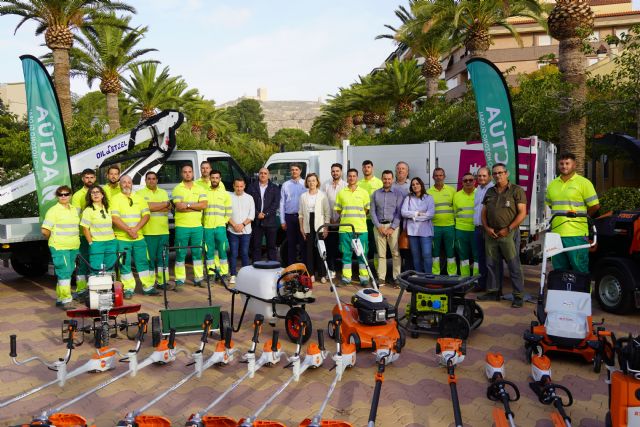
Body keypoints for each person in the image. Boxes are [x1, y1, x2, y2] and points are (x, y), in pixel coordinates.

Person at [479, 163, 527, 308]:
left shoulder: (516, 190)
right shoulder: (490, 191)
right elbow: (484, 212)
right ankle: (494, 292)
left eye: (500, 172)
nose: (497, 175)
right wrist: (486, 227)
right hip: (491, 234)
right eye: (495, 173)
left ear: (507, 173)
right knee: (492, 264)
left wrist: (509, 228)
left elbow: (522, 213)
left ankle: (518, 296)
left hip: (508, 233)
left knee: (513, 265)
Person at [545, 152, 600, 273]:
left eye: (567, 163)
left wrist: (584, 217)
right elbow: (550, 204)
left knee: (579, 268)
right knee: (559, 270)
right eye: (561, 163)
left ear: (574, 165)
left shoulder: (584, 183)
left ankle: (584, 292)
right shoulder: (552, 185)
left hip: (577, 234)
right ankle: (562, 292)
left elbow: (595, 206)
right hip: (556, 234)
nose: (564, 166)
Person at [111, 175, 157, 298]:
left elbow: (146, 215)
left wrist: (135, 229)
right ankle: (128, 289)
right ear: (120, 184)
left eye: (129, 182)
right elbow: (114, 218)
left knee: (143, 262)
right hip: (122, 238)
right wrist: (128, 230)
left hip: (139, 237)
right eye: (124, 182)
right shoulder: (115, 199)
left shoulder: (139, 198)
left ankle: (148, 287)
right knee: (124, 264)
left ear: (132, 184)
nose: (126, 184)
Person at [42, 185, 81, 309]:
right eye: (60, 194)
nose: (63, 196)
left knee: (68, 272)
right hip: (59, 247)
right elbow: (45, 230)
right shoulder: (53, 211)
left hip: (73, 246)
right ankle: (66, 299)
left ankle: (60, 297)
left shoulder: (74, 209)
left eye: (66, 194)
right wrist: (54, 241)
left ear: (70, 195)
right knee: (64, 272)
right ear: (57, 196)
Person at [172, 164, 207, 288]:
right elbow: (179, 207)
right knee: (180, 254)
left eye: (190, 172)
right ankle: (180, 280)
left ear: (193, 173)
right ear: (182, 174)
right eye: (185, 172)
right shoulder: (177, 189)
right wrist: (194, 207)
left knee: (197, 253)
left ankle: (199, 278)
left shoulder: (200, 188)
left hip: (197, 226)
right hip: (182, 226)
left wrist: (187, 205)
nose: (187, 174)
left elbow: (203, 205)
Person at [335, 168, 371, 286]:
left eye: (354, 176)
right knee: (346, 255)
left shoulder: (364, 193)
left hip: (361, 229)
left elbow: (367, 210)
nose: (351, 178)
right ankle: (346, 277)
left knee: (362, 254)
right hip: (345, 229)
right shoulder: (341, 193)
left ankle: (364, 278)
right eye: (349, 176)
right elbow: (339, 210)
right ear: (347, 178)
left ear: (357, 177)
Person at [370, 170, 404, 286]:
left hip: (393, 227)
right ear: (382, 179)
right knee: (381, 254)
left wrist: (392, 227)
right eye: (385, 178)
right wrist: (378, 226)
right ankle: (381, 278)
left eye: (389, 179)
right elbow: (372, 211)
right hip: (379, 227)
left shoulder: (398, 194)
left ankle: (397, 278)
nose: (387, 181)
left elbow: (399, 212)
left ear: (392, 179)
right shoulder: (375, 194)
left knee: (395, 253)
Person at [137, 171, 171, 286]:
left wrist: (153, 206)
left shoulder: (163, 192)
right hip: (148, 232)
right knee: (150, 259)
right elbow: (145, 207)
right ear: (145, 180)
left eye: (153, 178)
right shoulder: (140, 193)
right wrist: (163, 204)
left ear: (157, 180)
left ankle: (163, 282)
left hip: (163, 232)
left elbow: (168, 208)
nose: (151, 181)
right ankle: (150, 283)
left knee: (163, 258)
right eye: (149, 179)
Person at [298, 173, 330, 283]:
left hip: (319, 225)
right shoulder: (303, 196)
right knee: (309, 251)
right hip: (307, 224)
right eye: (309, 181)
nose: (311, 182)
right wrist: (301, 228)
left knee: (320, 250)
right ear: (306, 182)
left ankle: (322, 274)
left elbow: (327, 213)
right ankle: (310, 274)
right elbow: (301, 214)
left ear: (317, 182)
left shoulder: (323, 195)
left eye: (313, 180)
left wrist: (326, 228)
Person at [80, 185, 117, 277]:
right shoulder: (88, 210)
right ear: (90, 196)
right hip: (97, 243)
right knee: (96, 268)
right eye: (93, 193)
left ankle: (109, 288)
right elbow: (85, 228)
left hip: (111, 242)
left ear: (102, 195)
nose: (95, 194)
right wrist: (91, 243)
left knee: (110, 267)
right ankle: (96, 289)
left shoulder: (108, 208)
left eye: (98, 192)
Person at [402, 177, 436, 274]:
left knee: (427, 255)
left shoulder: (429, 198)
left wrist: (413, 216)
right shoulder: (408, 198)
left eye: (417, 184)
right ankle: (419, 277)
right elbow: (403, 212)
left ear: (421, 185)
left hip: (425, 232)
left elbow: (430, 214)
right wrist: (418, 213)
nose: (415, 186)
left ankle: (428, 276)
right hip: (412, 232)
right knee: (416, 256)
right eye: (413, 184)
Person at [427, 167, 457, 275]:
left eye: (440, 175)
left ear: (444, 176)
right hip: (435, 227)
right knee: (435, 253)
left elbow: (456, 208)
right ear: (433, 177)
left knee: (451, 252)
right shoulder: (428, 192)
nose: (438, 177)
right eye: (436, 175)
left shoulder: (452, 190)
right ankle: (435, 274)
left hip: (450, 227)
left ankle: (452, 274)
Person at [71, 168, 96, 297]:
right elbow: (76, 216)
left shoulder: (99, 193)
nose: (89, 180)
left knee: (96, 262)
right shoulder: (77, 196)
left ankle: (94, 288)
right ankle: (81, 290)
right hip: (83, 235)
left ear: (95, 179)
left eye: (91, 177)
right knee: (83, 263)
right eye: (87, 177)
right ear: (82, 179)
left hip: (99, 236)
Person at [247, 167, 280, 262]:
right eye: (261, 173)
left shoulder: (274, 188)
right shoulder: (251, 187)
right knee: (256, 246)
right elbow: (249, 202)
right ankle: (256, 266)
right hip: (256, 221)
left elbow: (275, 204)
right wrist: (257, 214)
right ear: (258, 174)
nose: (263, 175)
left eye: (265, 173)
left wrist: (265, 214)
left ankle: (272, 267)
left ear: (268, 175)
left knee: (271, 246)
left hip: (270, 221)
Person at [203, 170, 231, 280]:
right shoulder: (204, 192)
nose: (214, 180)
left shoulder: (225, 194)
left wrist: (224, 222)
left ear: (220, 179)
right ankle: (211, 273)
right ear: (210, 178)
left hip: (220, 227)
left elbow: (228, 211)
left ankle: (224, 273)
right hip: (208, 227)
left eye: (217, 178)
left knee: (222, 250)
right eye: (213, 177)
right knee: (209, 251)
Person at [321, 163, 347, 279]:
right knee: (329, 248)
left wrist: (339, 220)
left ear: (341, 172)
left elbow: (346, 205)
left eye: (337, 171)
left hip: (343, 222)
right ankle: (331, 270)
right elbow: (323, 202)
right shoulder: (326, 185)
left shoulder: (345, 185)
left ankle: (345, 272)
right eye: (333, 171)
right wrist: (329, 220)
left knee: (343, 248)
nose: (335, 173)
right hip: (329, 221)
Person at [228, 178, 255, 284]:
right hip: (232, 230)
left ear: (244, 186)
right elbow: (226, 213)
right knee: (233, 253)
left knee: (244, 253)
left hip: (246, 231)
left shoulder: (249, 198)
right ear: (233, 186)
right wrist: (234, 225)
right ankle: (233, 274)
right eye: (237, 186)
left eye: (241, 186)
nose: (239, 188)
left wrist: (242, 225)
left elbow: (251, 215)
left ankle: (246, 275)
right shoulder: (229, 197)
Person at [473, 167, 496, 291]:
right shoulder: (478, 190)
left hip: (487, 229)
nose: (481, 178)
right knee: (481, 258)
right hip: (478, 229)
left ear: (489, 176)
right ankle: (482, 284)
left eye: (484, 176)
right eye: (479, 176)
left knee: (491, 259)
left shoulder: (492, 190)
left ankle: (492, 287)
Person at [280, 163, 306, 266]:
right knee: (291, 244)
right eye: (292, 170)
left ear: (300, 171)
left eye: (296, 169)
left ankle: (303, 267)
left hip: (302, 218)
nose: (294, 171)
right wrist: (282, 221)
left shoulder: (305, 184)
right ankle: (291, 267)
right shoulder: (285, 185)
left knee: (303, 243)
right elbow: (282, 203)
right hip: (289, 217)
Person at [358, 160, 383, 267]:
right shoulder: (359, 183)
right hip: (362, 220)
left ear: (372, 168)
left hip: (375, 219)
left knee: (376, 245)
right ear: (362, 169)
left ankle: (377, 269)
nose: (366, 169)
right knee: (364, 245)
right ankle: (365, 267)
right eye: (364, 167)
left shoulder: (379, 182)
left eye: (368, 167)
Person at [454, 173, 479, 277]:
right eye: (465, 180)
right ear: (462, 182)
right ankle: (465, 279)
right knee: (463, 257)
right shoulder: (457, 195)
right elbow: (455, 213)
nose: (468, 182)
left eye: (470, 180)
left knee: (477, 256)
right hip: (461, 230)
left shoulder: (480, 193)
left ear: (475, 181)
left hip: (475, 230)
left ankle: (476, 279)